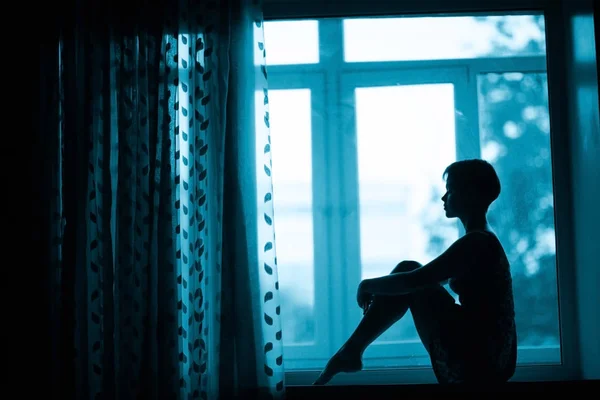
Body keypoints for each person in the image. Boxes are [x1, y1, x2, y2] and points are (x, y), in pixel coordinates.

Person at [313, 159, 517, 385]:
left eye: (450, 190)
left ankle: (350, 352)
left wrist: (366, 285)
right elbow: (434, 277)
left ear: (470, 194)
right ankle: (350, 352)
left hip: (479, 359)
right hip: (493, 356)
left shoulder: (476, 242)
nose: (443, 197)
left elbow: (415, 280)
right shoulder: (482, 239)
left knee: (409, 271)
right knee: (411, 274)